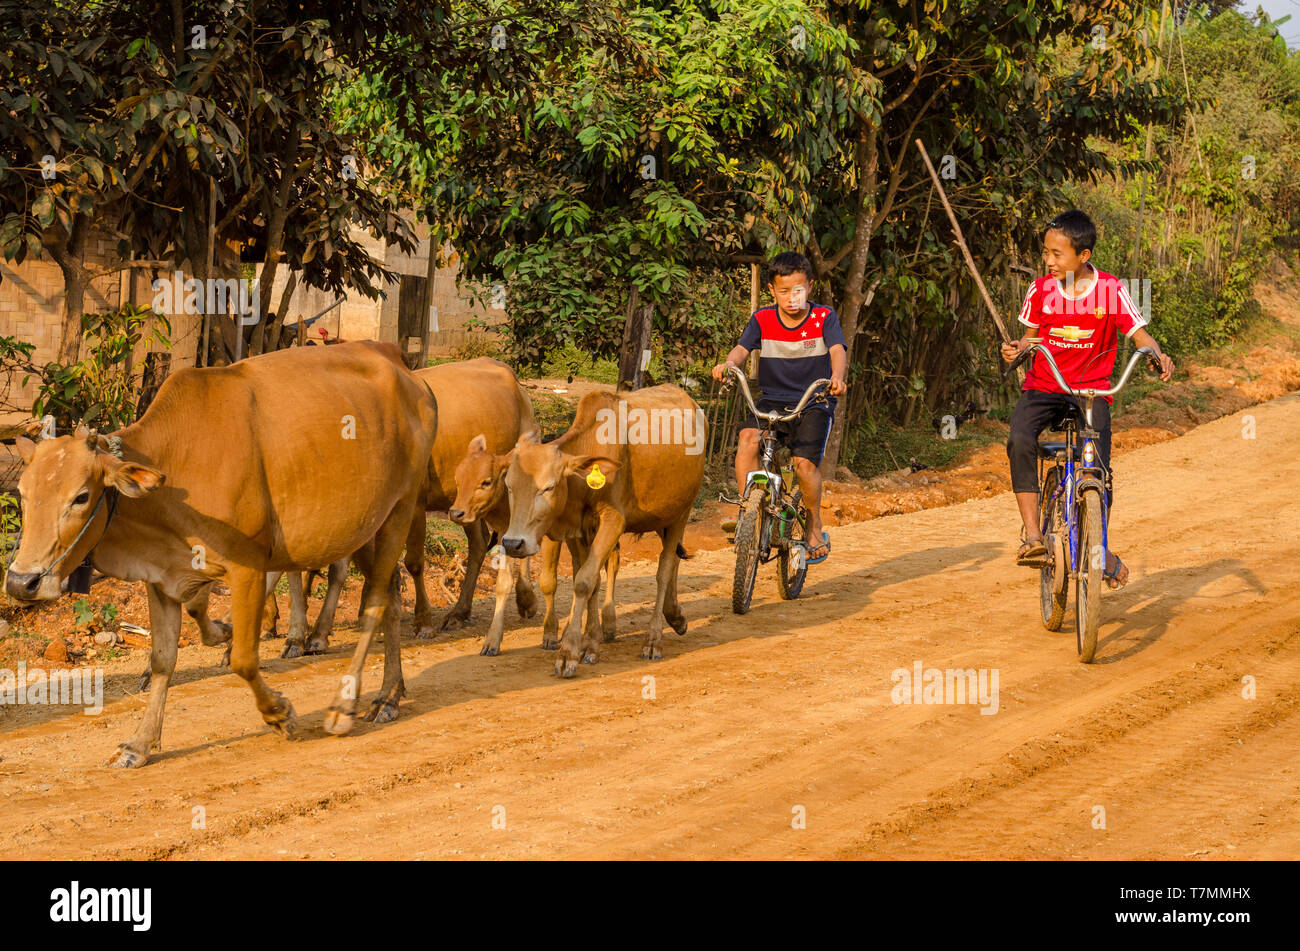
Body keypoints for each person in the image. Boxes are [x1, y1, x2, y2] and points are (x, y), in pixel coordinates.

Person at [1001, 209, 1174, 588]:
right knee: (1019, 439)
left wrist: (1155, 354)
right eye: (1045, 253)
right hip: (1044, 384)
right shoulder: (1041, 290)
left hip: (1092, 391)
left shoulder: (1110, 290)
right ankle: (1032, 537)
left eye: (1056, 254)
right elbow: (1030, 339)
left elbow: (1139, 334)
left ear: (1083, 256)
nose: (1048, 261)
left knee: (1099, 471)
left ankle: (1100, 549)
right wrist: (1018, 349)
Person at [711, 252, 847, 564]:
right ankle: (748, 510)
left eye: (797, 290)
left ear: (810, 287)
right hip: (773, 400)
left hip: (813, 400)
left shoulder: (824, 318)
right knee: (747, 440)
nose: (791, 298)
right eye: (783, 291)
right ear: (772, 291)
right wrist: (729, 365)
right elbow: (742, 349)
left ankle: (814, 527)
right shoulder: (762, 319)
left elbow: (837, 349)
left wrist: (837, 377)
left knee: (804, 465)